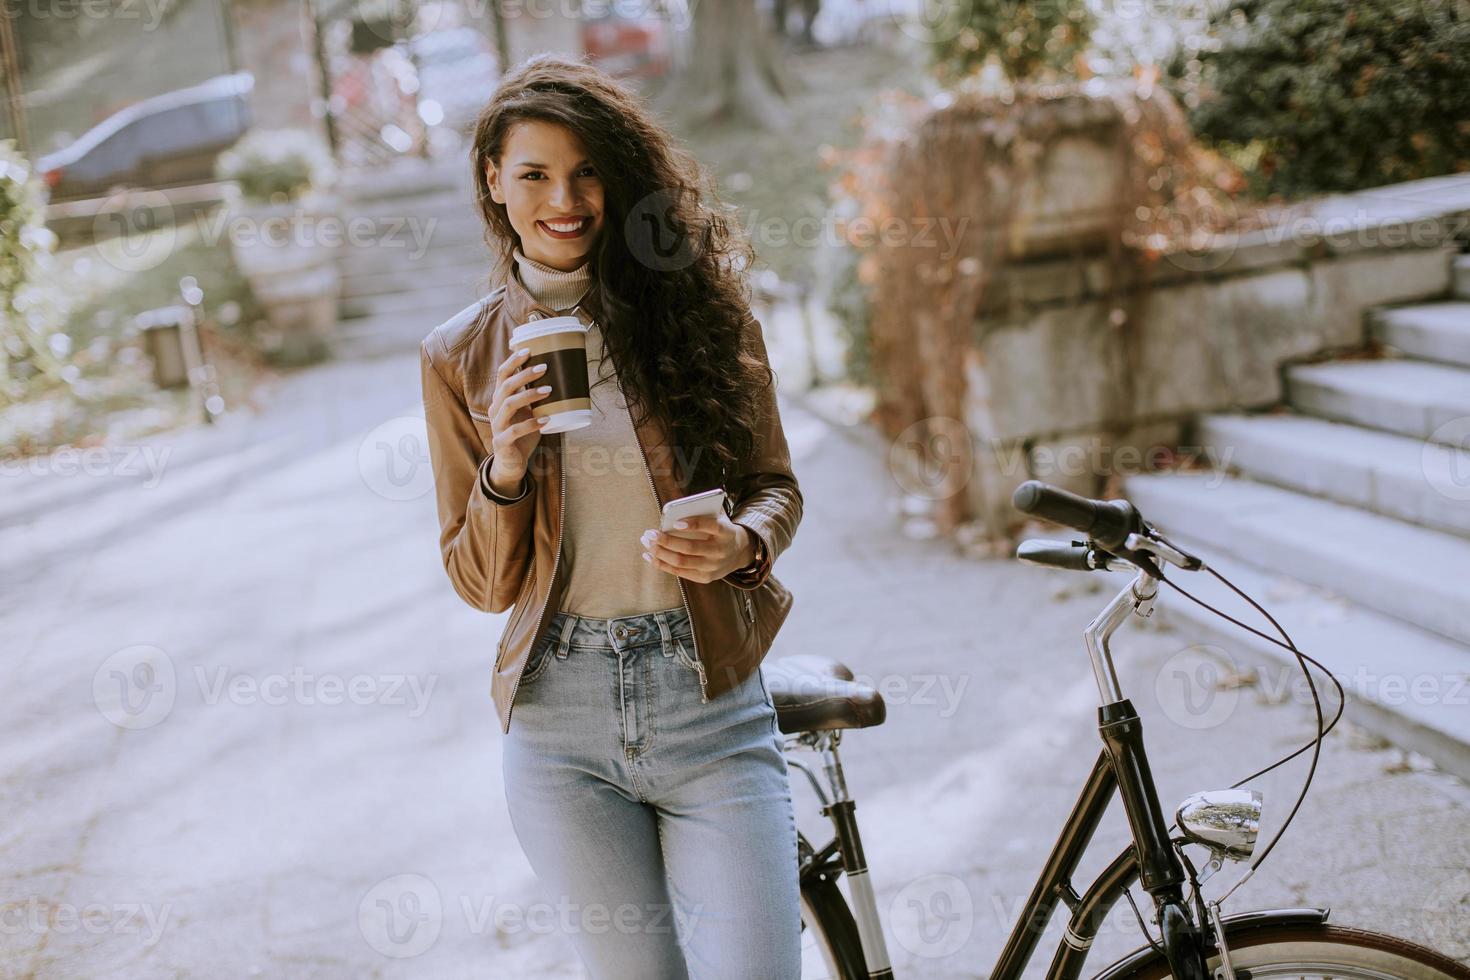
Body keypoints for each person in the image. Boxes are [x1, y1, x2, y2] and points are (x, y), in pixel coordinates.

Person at [418, 54, 804, 979]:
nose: (566, 198)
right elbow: (479, 585)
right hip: (561, 723)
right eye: (535, 173)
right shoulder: (457, 359)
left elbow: (775, 485)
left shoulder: (698, 310)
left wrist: (742, 543)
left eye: (588, 169)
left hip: (706, 697)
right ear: (493, 183)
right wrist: (506, 467)